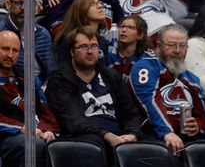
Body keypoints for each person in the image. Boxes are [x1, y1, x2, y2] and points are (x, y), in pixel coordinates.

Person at [46, 27, 141, 155]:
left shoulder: (111, 76)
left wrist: (132, 133)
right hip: (82, 138)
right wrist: (106, 135)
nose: (90, 51)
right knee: (95, 145)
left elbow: (130, 112)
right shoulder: (60, 81)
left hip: (116, 135)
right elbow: (72, 121)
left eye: (94, 46)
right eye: (83, 47)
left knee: (151, 148)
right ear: (72, 52)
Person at [130, 24, 205, 155]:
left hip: (186, 138)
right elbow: (150, 101)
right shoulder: (147, 66)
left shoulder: (192, 79)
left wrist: (198, 126)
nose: (178, 50)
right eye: (172, 45)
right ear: (159, 45)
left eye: (182, 46)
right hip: (153, 135)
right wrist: (167, 132)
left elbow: (203, 117)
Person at [0, 31, 54, 167]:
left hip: (34, 134)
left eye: (15, 50)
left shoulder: (28, 80)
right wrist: (22, 128)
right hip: (5, 138)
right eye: (5, 49)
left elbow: (46, 113)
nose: (10, 55)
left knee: (57, 146)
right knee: (32, 145)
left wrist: (48, 131)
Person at [0, 0, 56, 82]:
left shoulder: (43, 34)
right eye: (19, 3)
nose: (24, 8)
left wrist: (45, 88)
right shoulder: (1, 32)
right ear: (8, 4)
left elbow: (52, 73)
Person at [53, 0, 112, 65]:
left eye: (99, 3)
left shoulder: (102, 39)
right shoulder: (69, 39)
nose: (100, 6)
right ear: (81, 11)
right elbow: (62, 70)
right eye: (92, 4)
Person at [107, 14, 153, 79]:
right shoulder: (109, 54)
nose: (124, 30)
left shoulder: (147, 58)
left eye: (130, 27)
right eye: (122, 26)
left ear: (140, 35)